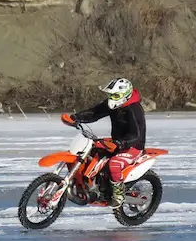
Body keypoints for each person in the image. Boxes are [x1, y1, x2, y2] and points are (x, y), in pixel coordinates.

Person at [62, 77, 146, 208]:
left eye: (115, 95)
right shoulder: (113, 104)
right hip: (117, 142)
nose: (112, 98)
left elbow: (136, 134)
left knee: (114, 163)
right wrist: (75, 118)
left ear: (125, 95)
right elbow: (94, 113)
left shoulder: (134, 110)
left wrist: (120, 143)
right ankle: (88, 185)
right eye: (110, 95)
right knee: (92, 152)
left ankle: (118, 194)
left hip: (133, 145)